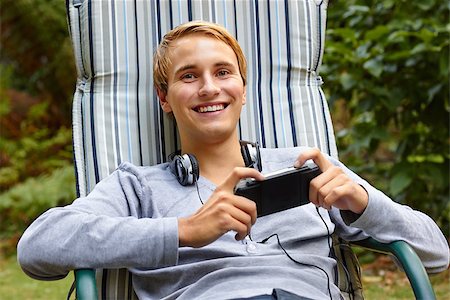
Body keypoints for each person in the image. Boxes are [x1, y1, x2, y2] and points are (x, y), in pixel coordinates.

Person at [17, 21, 448, 300]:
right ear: (164, 98)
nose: (209, 88)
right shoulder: (138, 186)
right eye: (189, 76)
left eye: (223, 72)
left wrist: (365, 204)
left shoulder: (305, 166)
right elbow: (38, 248)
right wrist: (186, 230)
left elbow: (435, 252)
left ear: (242, 87)